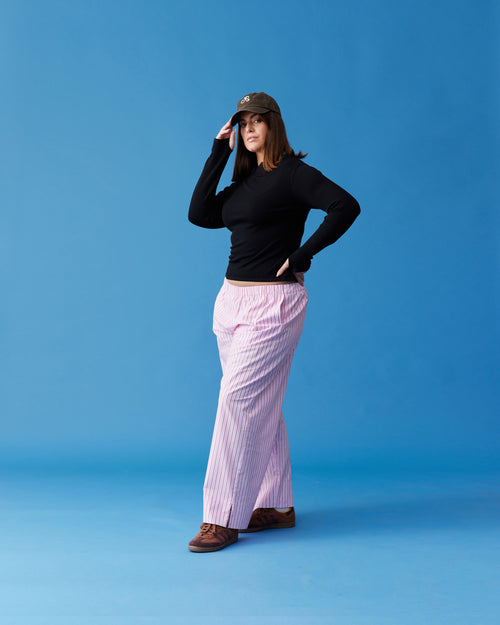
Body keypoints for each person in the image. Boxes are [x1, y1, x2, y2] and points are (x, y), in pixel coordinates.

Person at [187, 92, 360, 553]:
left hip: (273, 305)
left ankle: (221, 516)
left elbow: (345, 205)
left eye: (257, 121)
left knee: (238, 401)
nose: (249, 129)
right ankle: (275, 504)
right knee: (260, 401)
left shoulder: (293, 174)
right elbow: (199, 213)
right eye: (242, 123)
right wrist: (217, 151)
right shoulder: (243, 184)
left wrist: (302, 255)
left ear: (274, 125)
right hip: (231, 303)